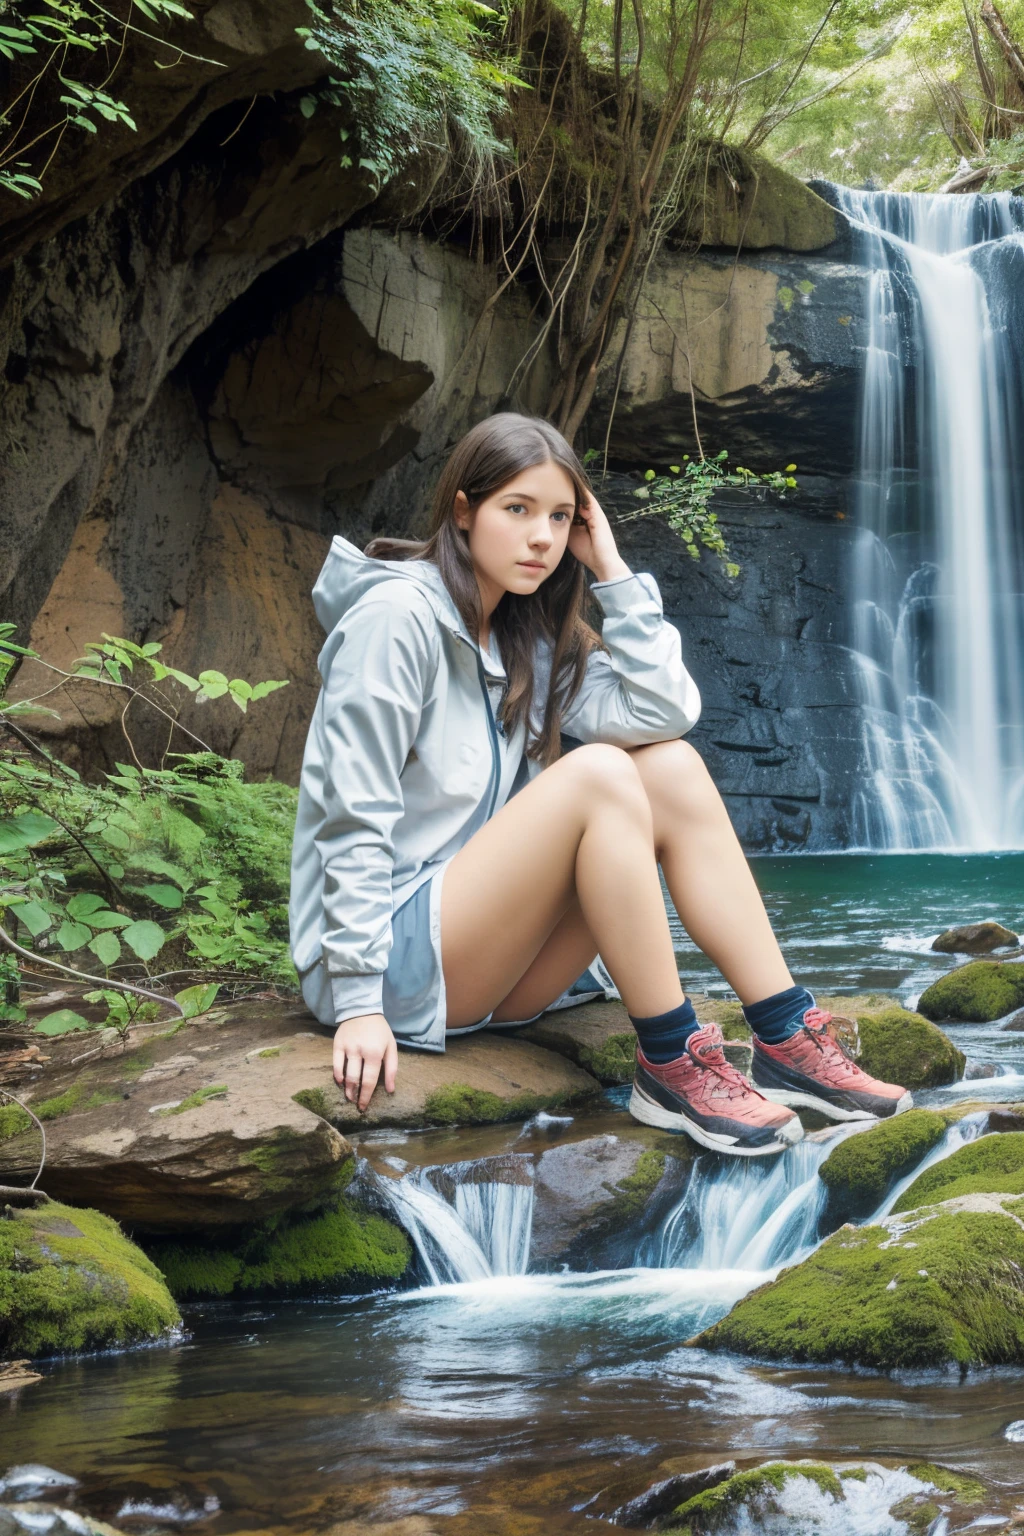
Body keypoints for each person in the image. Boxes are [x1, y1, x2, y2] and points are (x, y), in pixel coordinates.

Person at [289, 412, 911, 1157]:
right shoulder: (395, 620)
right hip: (390, 966)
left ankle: (784, 1034)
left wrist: (611, 569)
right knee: (599, 773)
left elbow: (664, 712)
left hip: (486, 963)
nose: (543, 539)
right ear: (463, 510)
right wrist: (358, 1005)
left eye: (559, 517)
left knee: (668, 764)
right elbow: (351, 818)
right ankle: (671, 1058)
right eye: (517, 510)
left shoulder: (523, 635)